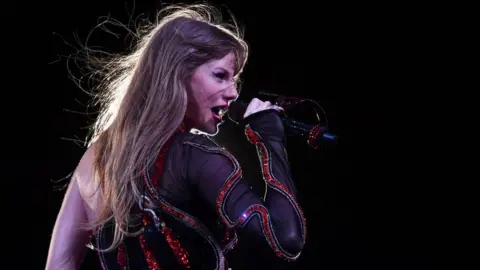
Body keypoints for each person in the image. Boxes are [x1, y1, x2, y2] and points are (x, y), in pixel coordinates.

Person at [46, 4, 307, 269]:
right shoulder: (193, 155)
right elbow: (284, 240)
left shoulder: (97, 157)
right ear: (178, 73)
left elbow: (58, 264)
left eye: (234, 80)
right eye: (220, 75)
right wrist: (270, 136)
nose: (233, 94)